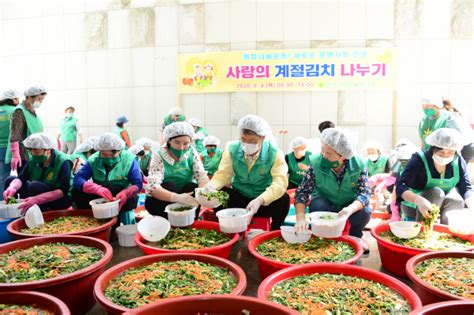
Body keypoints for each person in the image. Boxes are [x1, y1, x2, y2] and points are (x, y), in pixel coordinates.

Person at [204, 115, 290, 231]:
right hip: (240, 198)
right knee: (219, 193)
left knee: (283, 199)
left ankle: (273, 232)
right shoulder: (232, 148)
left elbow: (280, 183)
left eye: (252, 141)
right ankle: (229, 229)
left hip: (262, 201)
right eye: (243, 140)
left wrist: (260, 200)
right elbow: (223, 173)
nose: (247, 144)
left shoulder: (275, 153)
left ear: (262, 138)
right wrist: (212, 185)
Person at [294, 128, 371, 247]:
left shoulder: (358, 165)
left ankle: (355, 236)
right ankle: (324, 237)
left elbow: (364, 193)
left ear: (343, 156)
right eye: (322, 151)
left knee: (364, 212)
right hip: (326, 203)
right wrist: (300, 217)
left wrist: (349, 209)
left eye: (329, 154)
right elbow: (302, 192)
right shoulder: (316, 163)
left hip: (348, 204)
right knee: (317, 204)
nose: (323, 156)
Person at [396, 128, 473, 224]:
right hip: (414, 205)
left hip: (440, 205)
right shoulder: (419, 159)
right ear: (432, 149)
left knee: (456, 200)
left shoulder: (458, 160)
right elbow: (400, 186)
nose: (445, 156)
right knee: (436, 193)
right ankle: (423, 232)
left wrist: (471, 204)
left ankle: (445, 233)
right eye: (441, 152)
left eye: (450, 153)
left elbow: (465, 187)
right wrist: (418, 200)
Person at [72, 133, 142, 225]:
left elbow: (138, 184)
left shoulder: (129, 160)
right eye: (104, 155)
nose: (109, 158)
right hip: (101, 197)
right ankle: (90, 221)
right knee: (76, 192)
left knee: (115, 189)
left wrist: (126, 192)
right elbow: (78, 179)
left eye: (112, 155)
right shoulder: (94, 160)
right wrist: (96, 188)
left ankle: (114, 226)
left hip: (122, 199)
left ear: (119, 151)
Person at [145, 122, 208, 219]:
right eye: (177, 142)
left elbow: (202, 176)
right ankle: (167, 223)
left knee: (192, 187)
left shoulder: (192, 152)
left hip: (187, 194)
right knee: (170, 185)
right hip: (163, 199)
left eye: (186, 143)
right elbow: (153, 187)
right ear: (169, 140)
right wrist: (177, 198)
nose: (181, 147)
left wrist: (202, 192)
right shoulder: (159, 155)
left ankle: (190, 221)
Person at [3, 133, 72, 213]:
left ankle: (43, 212)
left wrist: (37, 199)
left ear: (48, 150)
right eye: (30, 150)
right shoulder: (34, 160)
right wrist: (12, 188)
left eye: (36, 150)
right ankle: (16, 212)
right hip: (39, 191)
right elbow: (21, 178)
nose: (32, 153)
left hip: (60, 198)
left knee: (34, 186)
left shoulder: (63, 161)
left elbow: (63, 191)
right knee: (10, 180)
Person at [6, 85, 47, 174]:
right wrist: (15, 154)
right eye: (39, 99)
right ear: (29, 97)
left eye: (42, 100)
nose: (40, 102)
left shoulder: (31, 111)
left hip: (34, 153)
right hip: (24, 155)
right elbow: (15, 134)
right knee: (26, 182)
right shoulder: (19, 111)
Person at [0, 90, 21, 200]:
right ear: (12, 99)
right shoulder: (16, 111)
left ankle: (1, 200)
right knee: (21, 176)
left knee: (2, 177)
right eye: (17, 99)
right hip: (10, 148)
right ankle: (9, 198)